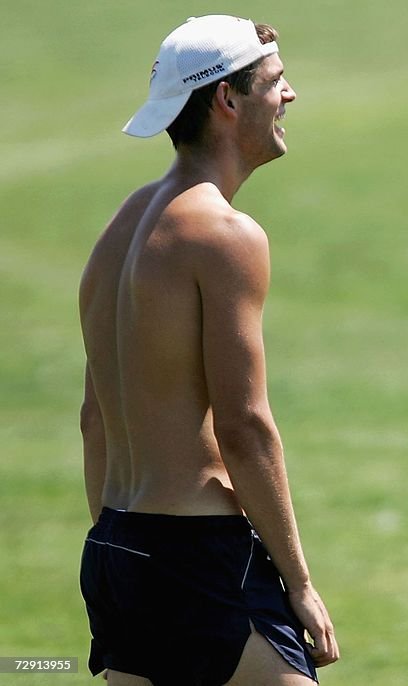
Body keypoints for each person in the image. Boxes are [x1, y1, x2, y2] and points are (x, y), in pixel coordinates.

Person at [78, 15, 339, 685]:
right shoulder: (223, 234)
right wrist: (300, 583)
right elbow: (244, 426)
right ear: (227, 100)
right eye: (275, 83)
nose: (290, 96)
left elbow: (93, 418)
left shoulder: (124, 226)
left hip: (116, 544)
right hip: (196, 556)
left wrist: (125, 556)